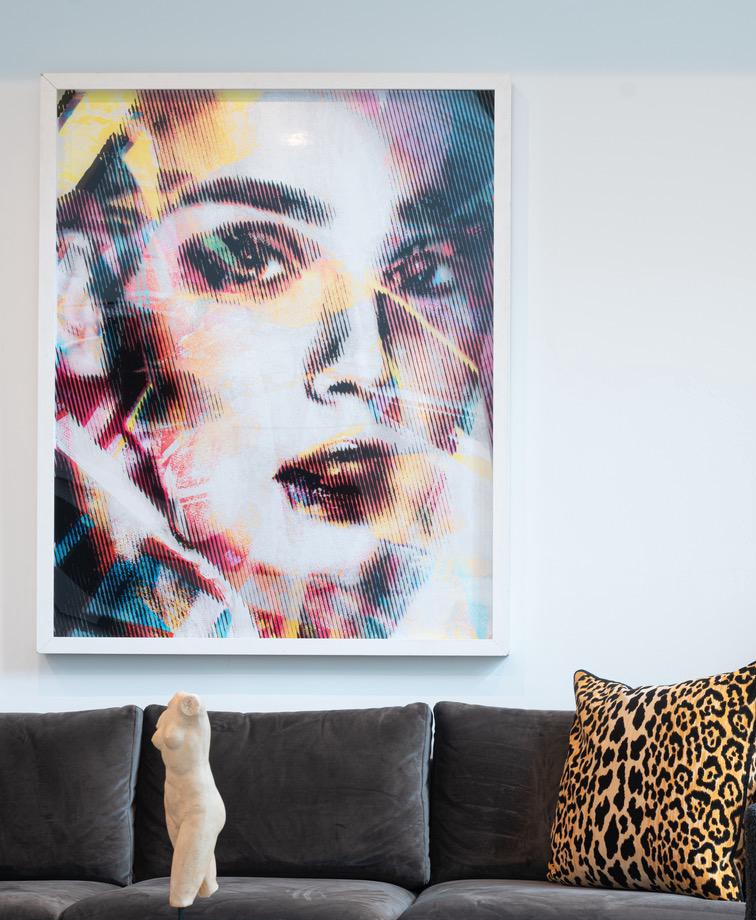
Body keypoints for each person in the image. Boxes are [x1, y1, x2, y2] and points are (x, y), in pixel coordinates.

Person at [53, 87, 495, 641]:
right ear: (77, 292)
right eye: (252, 257)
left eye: (423, 274)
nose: (362, 363)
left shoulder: (444, 611)